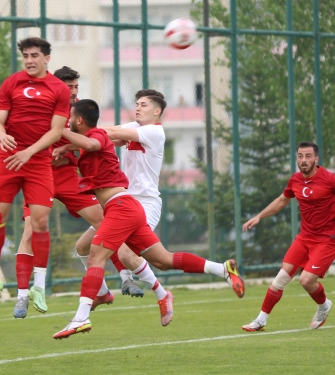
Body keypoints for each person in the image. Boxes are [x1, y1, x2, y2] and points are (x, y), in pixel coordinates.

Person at [53, 99, 220, 339]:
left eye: (69, 117)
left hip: (121, 206)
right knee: (162, 260)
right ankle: (218, 270)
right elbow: (86, 146)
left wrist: (60, 131)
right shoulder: (90, 139)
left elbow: (91, 142)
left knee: (96, 255)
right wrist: (65, 146)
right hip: (127, 207)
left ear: (79, 120)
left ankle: (81, 317)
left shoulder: (97, 134)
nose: (66, 121)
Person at [0, 66, 101, 318]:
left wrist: (65, 148)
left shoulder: (79, 114)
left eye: (77, 87)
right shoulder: (40, 105)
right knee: (30, 231)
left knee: (105, 220)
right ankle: (23, 296)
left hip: (66, 175)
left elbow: (93, 140)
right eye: (70, 87)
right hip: (38, 173)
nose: (75, 92)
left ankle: (130, 275)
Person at [95, 90, 244, 301]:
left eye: (143, 104)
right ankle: (221, 269)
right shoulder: (135, 127)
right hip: (125, 201)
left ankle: (154, 292)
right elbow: (109, 134)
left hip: (145, 203)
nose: (137, 107)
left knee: (134, 255)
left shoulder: (155, 132)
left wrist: (81, 127)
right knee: (89, 245)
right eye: (137, 103)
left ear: (157, 111)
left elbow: (110, 133)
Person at [0, 38, 72, 309]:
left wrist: (29, 152)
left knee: (40, 223)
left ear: (47, 58)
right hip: (8, 159)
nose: (29, 60)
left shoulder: (59, 89)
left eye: (34, 55)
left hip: (37, 163)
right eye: (25, 55)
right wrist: (1, 136)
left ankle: (39, 287)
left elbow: (57, 131)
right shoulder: (11, 83)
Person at [240, 142, 335, 332]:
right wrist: (259, 216)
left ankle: (324, 306)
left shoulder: (330, 179)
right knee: (281, 277)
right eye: (300, 156)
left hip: (328, 239)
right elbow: (282, 200)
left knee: (306, 280)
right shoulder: (295, 180)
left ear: (316, 159)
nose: (303, 160)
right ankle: (260, 320)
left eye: (307, 156)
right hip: (305, 238)